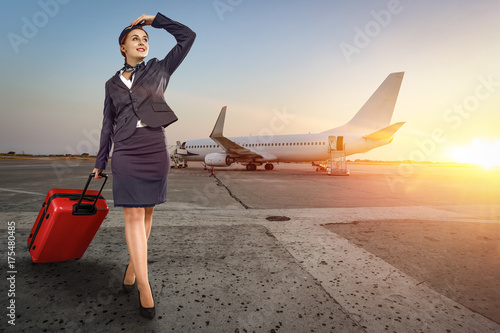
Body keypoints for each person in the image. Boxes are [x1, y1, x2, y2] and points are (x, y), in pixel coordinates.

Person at [92, 12, 195, 319]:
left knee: (147, 216)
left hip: (154, 149)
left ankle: (130, 270)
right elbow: (107, 123)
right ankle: (144, 287)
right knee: (134, 218)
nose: (142, 42)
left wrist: (156, 20)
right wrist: (100, 161)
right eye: (135, 38)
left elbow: (188, 37)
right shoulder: (111, 84)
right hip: (124, 151)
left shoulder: (160, 69)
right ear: (122, 47)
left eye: (145, 39)